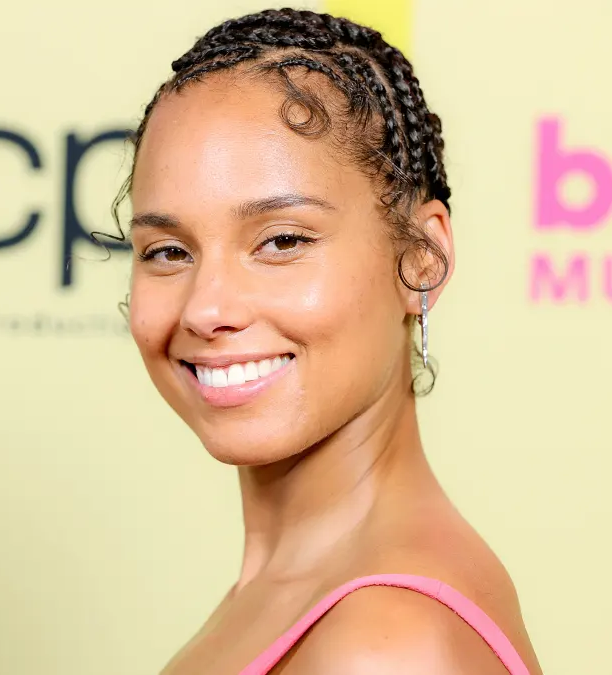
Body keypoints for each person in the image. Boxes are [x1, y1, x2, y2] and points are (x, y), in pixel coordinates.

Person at [117, 8, 542, 674]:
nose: (207, 308)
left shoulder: (386, 642)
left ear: (422, 257)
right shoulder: (294, 589)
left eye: (282, 241)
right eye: (168, 250)